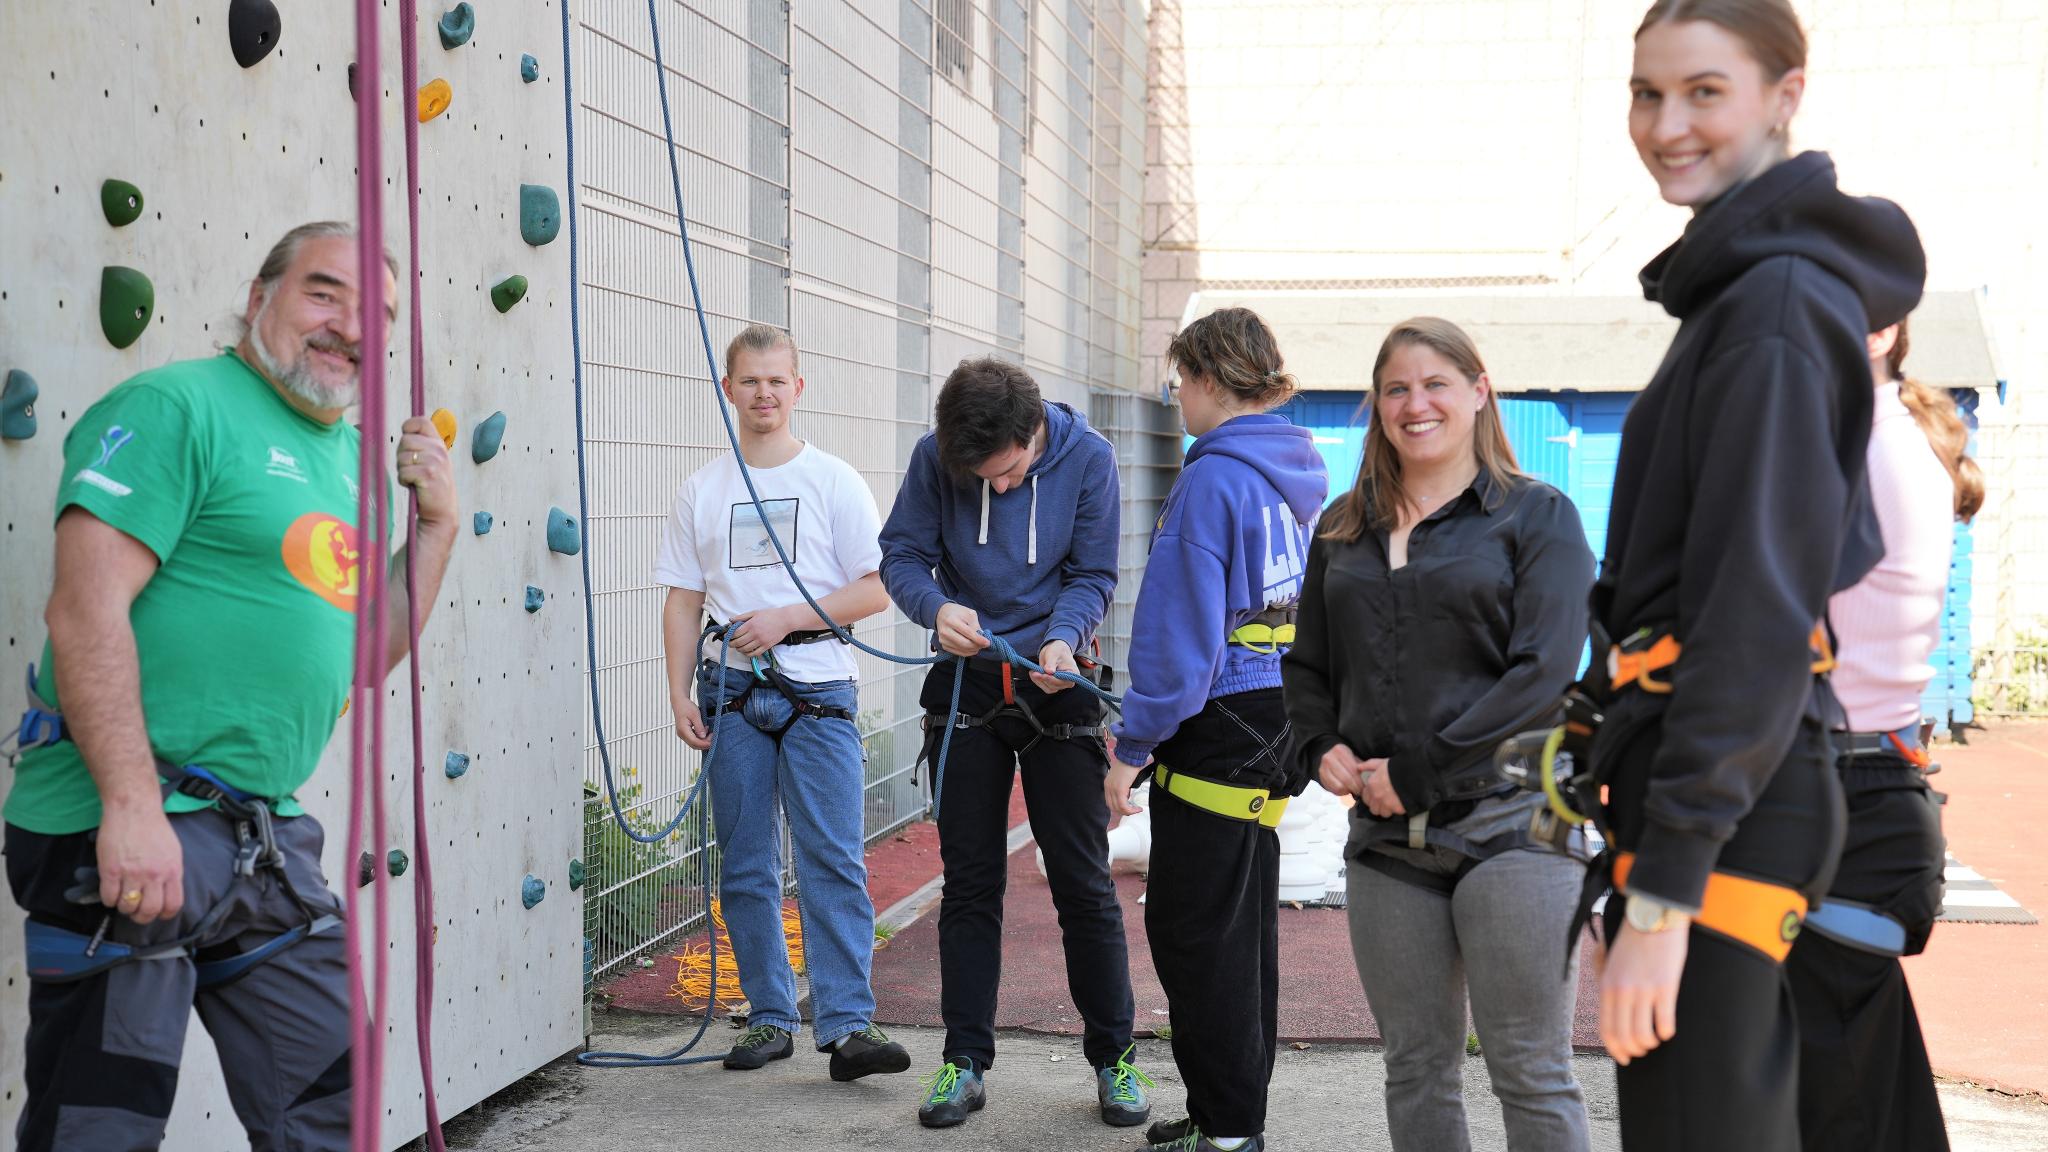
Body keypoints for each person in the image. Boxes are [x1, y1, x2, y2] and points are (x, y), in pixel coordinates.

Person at [3, 221, 459, 1151]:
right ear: (260, 300)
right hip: (124, 821)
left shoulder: (353, 462)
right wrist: (131, 806)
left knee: (335, 1109)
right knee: (100, 1129)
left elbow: (365, 656)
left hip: (262, 842)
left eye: (376, 313)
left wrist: (440, 529)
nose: (348, 327)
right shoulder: (179, 407)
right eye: (323, 293)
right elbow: (84, 612)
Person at [1590, 3, 1925, 1148]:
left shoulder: (1773, 307)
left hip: (1726, 812)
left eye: (1702, 92)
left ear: (1783, 97)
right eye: (1645, 93)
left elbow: (1756, 612)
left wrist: (1662, 890)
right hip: (1712, 787)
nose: (1664, 124)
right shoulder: (1742, 296)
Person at [1283, 317, 1596, 1151]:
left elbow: (1543, 676)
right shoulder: (1344, 527)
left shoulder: (1538, 515)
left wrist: (1418, 770)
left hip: (1514, 826)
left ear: (1478, 392)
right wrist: (1318, 746)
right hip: (1387, 844)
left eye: (1435, 384)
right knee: (1415, 1066)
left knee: (1530, 1068)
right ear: (1378, 406)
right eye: (1396, 389)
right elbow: (1307, 667)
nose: (1415, 404)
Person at [878, 356, 1148, 1130]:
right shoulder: (938, 456)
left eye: (1007, 473)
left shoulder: (1089, 457)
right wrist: (934, 608)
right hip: (965, 684)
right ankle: (963, 1062)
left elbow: (1095, 572)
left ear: (1035, 434)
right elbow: (901, 554)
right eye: (981, 478)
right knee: (968, 884)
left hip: (1057, 681)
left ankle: (1116, 1061)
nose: (995, 489)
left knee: (1083, 882)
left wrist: (1066, 639)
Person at [653, 323, 912, 1080]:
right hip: (729, 690)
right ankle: (768, 1017)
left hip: (818, 685)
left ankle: (847, 1025)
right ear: (727, 389)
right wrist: (676, 692)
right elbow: (681, 599)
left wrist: (788, 619)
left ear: (798, 388)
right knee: (746, 865)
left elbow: (877, 586)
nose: (763, 393)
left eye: (777, 380)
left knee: (831, 857)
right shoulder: (702, 489)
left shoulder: (832, 480)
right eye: (750, 380)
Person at [1104, 308, 1327, 1152]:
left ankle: (1230, 1132)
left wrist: (1131, 747)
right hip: (1280, 713)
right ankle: (1221, 1117)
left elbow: (1177, 633)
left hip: (1222, 719)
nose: (1176, 399)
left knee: (1199, 938)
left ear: (1205, 376)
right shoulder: (1298, 476)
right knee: (1242, 932)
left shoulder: (1213, 479)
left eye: (1177, 382)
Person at [1788, 315, 1979, 1151]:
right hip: (1855, 799)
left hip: (1846, 806)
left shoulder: (1867, 446)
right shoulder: (1863, 435)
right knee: (1861, 1082)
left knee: (1835, 1096)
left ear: (1883, 330)